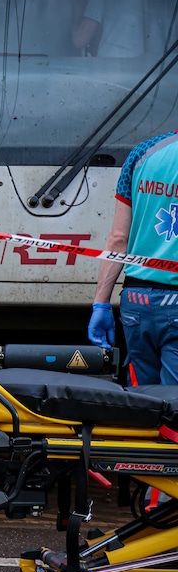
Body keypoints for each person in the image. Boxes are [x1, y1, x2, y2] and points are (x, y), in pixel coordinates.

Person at [88, 129, 178, 383]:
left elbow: (118, 238)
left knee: (143, 403)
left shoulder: (142, 153)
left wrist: (101, 303)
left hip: (137, 303)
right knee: (174, 407)